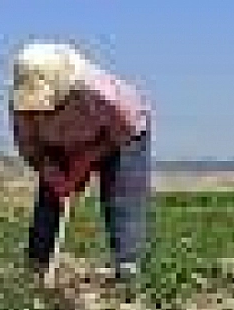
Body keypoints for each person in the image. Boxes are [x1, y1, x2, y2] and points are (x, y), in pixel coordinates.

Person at [9, 41, 153, 285]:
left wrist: (81, 165)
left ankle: (127, 266)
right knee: (50, 198)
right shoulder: (21, 104)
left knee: (122, 196)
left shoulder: (102, 94)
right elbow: (31, 148)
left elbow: (123, 131)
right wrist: (54, 176)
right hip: (60, 143)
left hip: (119, 137)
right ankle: (38, 267)